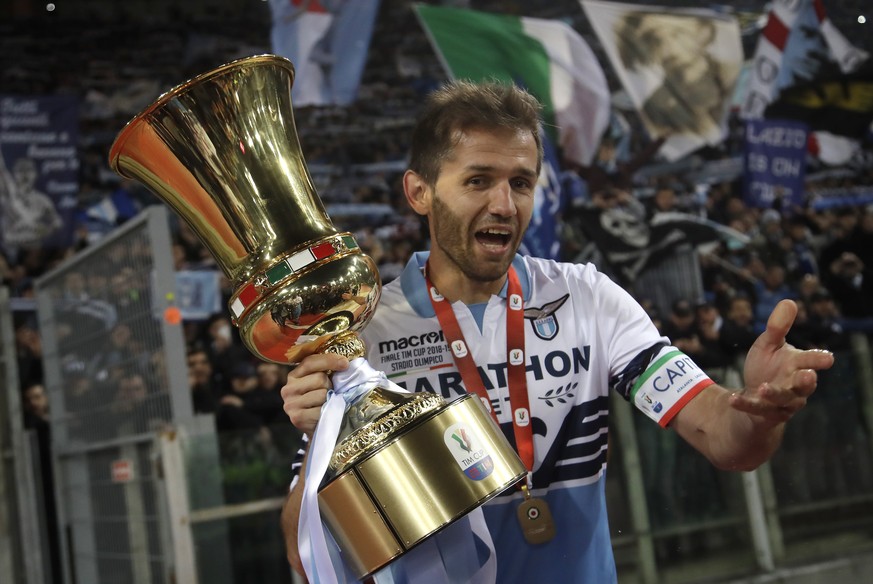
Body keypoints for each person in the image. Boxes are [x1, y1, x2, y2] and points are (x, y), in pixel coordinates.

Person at [278, 80, 834, 583]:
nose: (504, 204)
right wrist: (325, 437)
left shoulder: (588, 297)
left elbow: (722, 437)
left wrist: (755, 410)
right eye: (478, 181)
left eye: (522, 182)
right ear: (419, 192)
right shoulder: (364, 334)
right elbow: (307, 552)